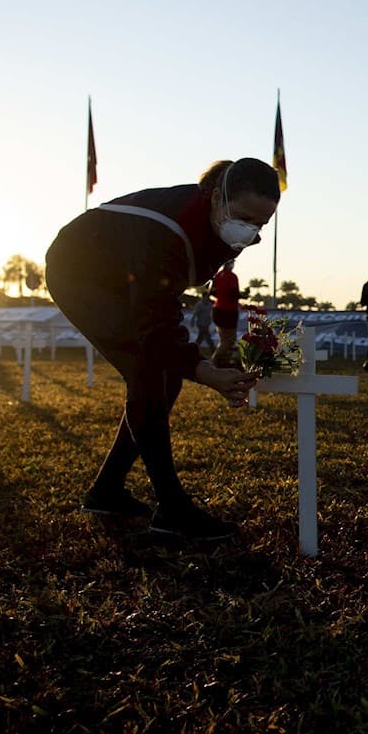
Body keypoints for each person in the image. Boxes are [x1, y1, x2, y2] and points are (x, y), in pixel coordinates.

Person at [45, 157, 278, 542]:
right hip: (80, 271)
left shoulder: (224, 225)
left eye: (261, 224)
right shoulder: (166, 229)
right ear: (216, 196)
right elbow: (156, 324)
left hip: (126, 278)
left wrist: (213, 349)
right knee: (150, 370)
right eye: (243, 216)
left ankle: (107, 491)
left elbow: (189, 294)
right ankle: (172, 509)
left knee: (162, 376)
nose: (250, 230)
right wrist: (205, 372)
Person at [210, 260, 240, 365]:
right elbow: (233, 293)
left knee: (223, 340)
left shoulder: (218, 275)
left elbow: (212, 292)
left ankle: (221, 362)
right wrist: (243, 296)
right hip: (228, 311)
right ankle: (214, 362)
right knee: (229, 340)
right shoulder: (232, 276)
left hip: (218, 310)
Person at [192, 288, 216, 357]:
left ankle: (194, 349)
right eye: (205, 297)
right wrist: (192, 321)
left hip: (206, 323)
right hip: (201, 324)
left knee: (201, 338)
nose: (206, 298)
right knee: (207, 337)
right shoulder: (199, 305)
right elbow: (195, 314)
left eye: (207, 297)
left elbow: (212, 313)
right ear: (202, 297)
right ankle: (213, 350)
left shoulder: (210, 305)